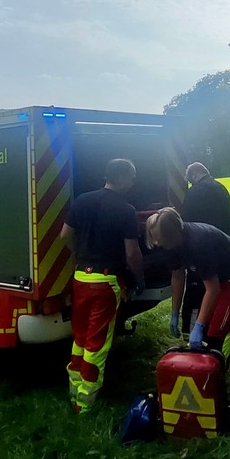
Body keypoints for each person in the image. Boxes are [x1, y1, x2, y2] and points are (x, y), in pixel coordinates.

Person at [59, 158, 145, 413]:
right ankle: (85, 404)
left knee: (80, 337)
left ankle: (74, 391)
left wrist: (80, 256)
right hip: (106, 283)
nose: (134, 182)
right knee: (97, 344)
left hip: (81, 278)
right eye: (132, 177)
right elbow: (132, 254)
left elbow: (65, 235)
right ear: (121, 179)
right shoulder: (126, 210)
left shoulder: (83, 200)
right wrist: (139, 278)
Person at [145, 207, 230, 360]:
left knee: (219, 334)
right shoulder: (169, 245)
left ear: (173, 234)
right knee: (206, 333)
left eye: (160, 238)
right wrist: (175, 312)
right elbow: (177, 276)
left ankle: (217, 373)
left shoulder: (199, 243)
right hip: (218, 279)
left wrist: (199, 325)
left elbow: (212, 289)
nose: (157, 243)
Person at [175, 162, 230, 338]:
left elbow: (184, 224)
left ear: (195, 174)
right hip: (225, 249)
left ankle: (193, 334)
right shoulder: (220, 187)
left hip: (201, 250)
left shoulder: (196, 192)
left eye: (190, 180)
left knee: (197, 294)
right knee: (217, 292)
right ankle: (213, 332)